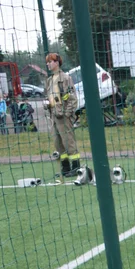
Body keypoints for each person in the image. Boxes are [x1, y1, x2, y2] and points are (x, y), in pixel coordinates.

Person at [44, 52, 81, 181]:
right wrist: (48, 105)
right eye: (47, 62)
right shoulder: (49, 80)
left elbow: (72, 98)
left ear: (57, 62)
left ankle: (76, 168)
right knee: (58, 143)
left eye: (50, 61)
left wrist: (67, 113)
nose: (48, 64)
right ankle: (65, 168)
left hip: (63, 116)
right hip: (54, 115)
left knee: (68, 142)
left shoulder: (65, 78)